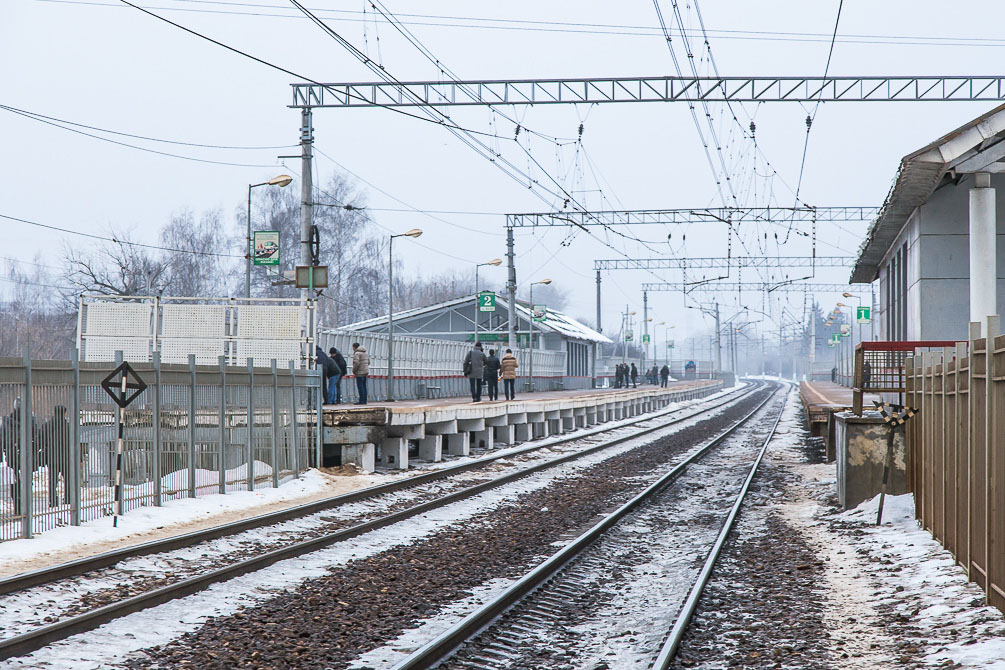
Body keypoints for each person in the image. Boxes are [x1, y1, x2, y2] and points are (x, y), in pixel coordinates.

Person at [38, 405, 71, 507]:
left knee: (52, 481)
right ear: (64, 413)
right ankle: (68, 499)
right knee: (68, 480)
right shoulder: (68, 426)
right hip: (66, 458)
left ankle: (52, 501)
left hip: (52, 457)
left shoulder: (47, 426)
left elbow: (40, 441)